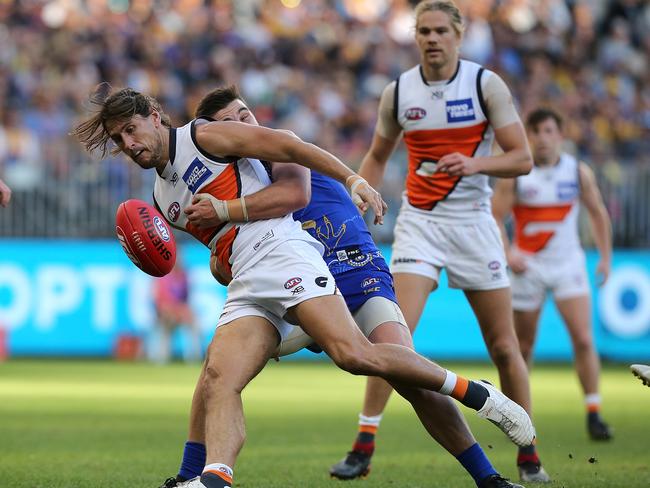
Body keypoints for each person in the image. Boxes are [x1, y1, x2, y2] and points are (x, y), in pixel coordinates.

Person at [73, 86, 534, 488]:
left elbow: (292, 165)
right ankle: (206, 479)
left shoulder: (207, 138)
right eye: (119, 140)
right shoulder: (162, 197)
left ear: (155, 117)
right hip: (255, 281)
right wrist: (217, 258)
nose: (129, 144)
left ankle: (477, 397)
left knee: (357, 357)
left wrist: (353, 178)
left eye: (132, 130)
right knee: (218, 374)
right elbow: (222, 255)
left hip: (308, 260)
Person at [329, 0, 547, 483]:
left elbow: (522, 158)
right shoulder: (398, 91)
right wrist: (356, 201)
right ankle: (363, 443)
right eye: (423, 30)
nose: (431, 38)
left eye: (439, 31)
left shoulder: (485, 84)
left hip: (474, 223)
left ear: (458, 35)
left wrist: (475, 164)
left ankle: (528, 453)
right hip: (420, 223)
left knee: (505, 348)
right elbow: (377, 155)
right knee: (394, 337)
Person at [493, 108, 614, 441]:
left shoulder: (577, 171)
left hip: (567, 265)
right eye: (536, 132)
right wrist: (508, 251)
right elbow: (494, 216)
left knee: (585, 339)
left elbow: (598, 213)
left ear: (560, 135)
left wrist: (605, 258)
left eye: (548, 131)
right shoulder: (518, 172)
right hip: (527, 267)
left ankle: (594, 412)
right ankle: (520, 417)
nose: (542, 138)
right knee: (523, 345)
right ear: (528, 136)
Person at [151, 258, 202, 363]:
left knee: (194, 321)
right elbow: (160, 300)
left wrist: (183, 311)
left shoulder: (184, 277)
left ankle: (194, 358)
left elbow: (185, 299)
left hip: (179, 312)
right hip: (165, 313)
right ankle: (161, 358)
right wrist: (174, 310)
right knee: (166, 322)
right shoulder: (163, 277)